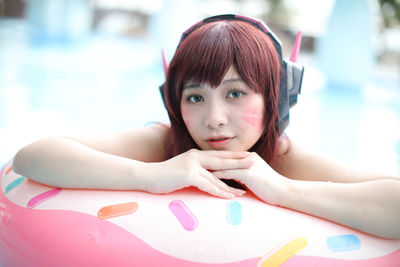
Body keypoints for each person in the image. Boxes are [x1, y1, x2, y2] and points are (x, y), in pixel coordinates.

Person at [12, 14, 400, 239]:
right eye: (195, 97)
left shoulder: (282, 158)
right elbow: (33, 157)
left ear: (274, 100)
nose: (214, 119)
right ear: (174, 104)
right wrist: (151, 174)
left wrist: (284, 190)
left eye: (236, 94)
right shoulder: (164, 144)